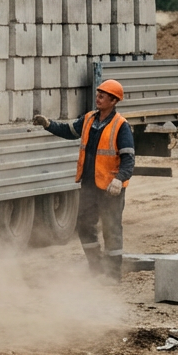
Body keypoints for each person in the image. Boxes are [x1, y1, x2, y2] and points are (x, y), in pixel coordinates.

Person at [33, 79, 135, 283]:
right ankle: (96, 269)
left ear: (114, 101)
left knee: (111, 228)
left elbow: (129, 158)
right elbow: (69, 131)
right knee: (85, 225)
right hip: (89, 184)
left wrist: (119, 179)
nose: (97, 98)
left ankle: (113, 275)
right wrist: (48, 124)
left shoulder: (121, 126)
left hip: (110, 188)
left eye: (102, 96)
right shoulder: (89, 119)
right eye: (98, 94)